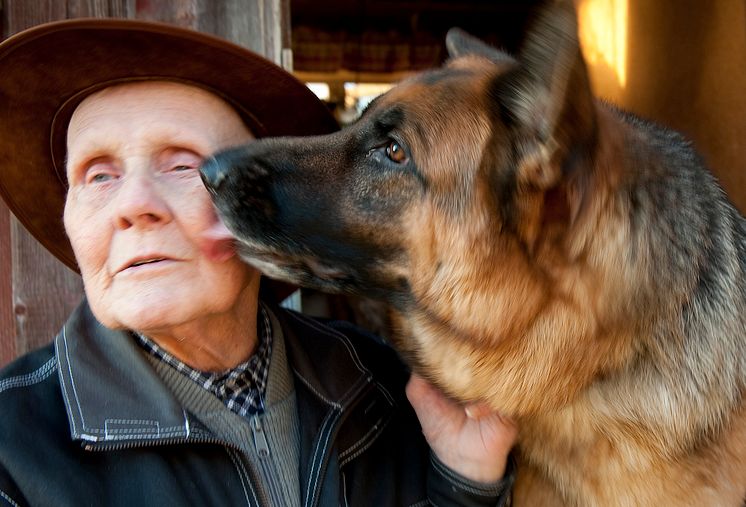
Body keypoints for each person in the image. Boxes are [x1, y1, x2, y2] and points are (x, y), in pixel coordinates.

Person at [0, 19, 517, 507]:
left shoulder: (382, 384)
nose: (133, 204)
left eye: (183, 164)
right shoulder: (11, 451)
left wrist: (462, 480)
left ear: (261, 206)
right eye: (98, 177)